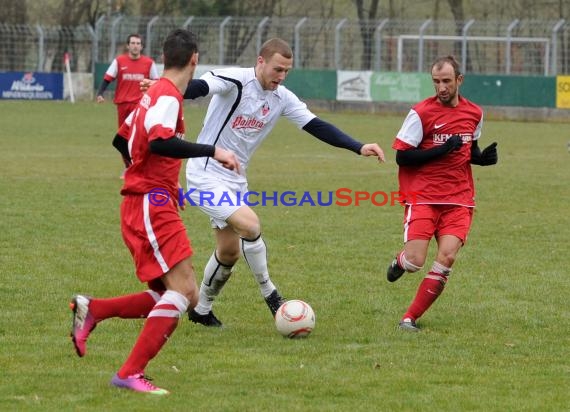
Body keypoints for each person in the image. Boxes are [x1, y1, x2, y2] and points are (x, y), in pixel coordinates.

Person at [69, 29, 240, 395]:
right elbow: (162, 140)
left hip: (147, 201)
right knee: (182, 292)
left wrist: (149, 176)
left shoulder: (152, 96)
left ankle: (94, 309)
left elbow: (122, 139)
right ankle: (129, 372)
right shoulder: (167, 97)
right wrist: (213, 151)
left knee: (184, 294)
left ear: (163, 58)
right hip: (151, 205)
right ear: (194, 59)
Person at [178, 38, 385, 327]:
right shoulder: (236, 80)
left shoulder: (282, 97)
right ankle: (270, 293)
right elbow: (200, 87)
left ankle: (201, 311)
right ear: (260, 62)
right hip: (205, 174)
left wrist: (358, 146)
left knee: (229, 251)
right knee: (250, 226)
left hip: (236, 180)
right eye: (277, 69)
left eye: (287, 71)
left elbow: (315, 125)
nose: (282, 76)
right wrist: (168, 91)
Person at [386, 55, 498, 332]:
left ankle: (409, 318)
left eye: (446, 81)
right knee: (415, 261)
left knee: (446, 258)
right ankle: (401, 261)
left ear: (459, 80)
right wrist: (441, 149)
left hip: (459, 199)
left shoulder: (474, 113)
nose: (441, 87)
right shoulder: (421, 113)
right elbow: (403, 157)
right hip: (423, 196)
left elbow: (467, 151)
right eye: (436, 82)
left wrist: (482, 159)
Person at [96, 33, 159, 172]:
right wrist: (100, 93)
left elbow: (156, 83)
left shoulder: (149, 63)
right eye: (133, 43)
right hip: (123, 105)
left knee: (140, 137)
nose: (135, 46)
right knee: (123, 137)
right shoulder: (119, 61)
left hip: (141, 105)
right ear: (127, 45)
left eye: (138, 43)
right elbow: (107, 78)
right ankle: (128, 167)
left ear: (141, 46)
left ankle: (141, 165)